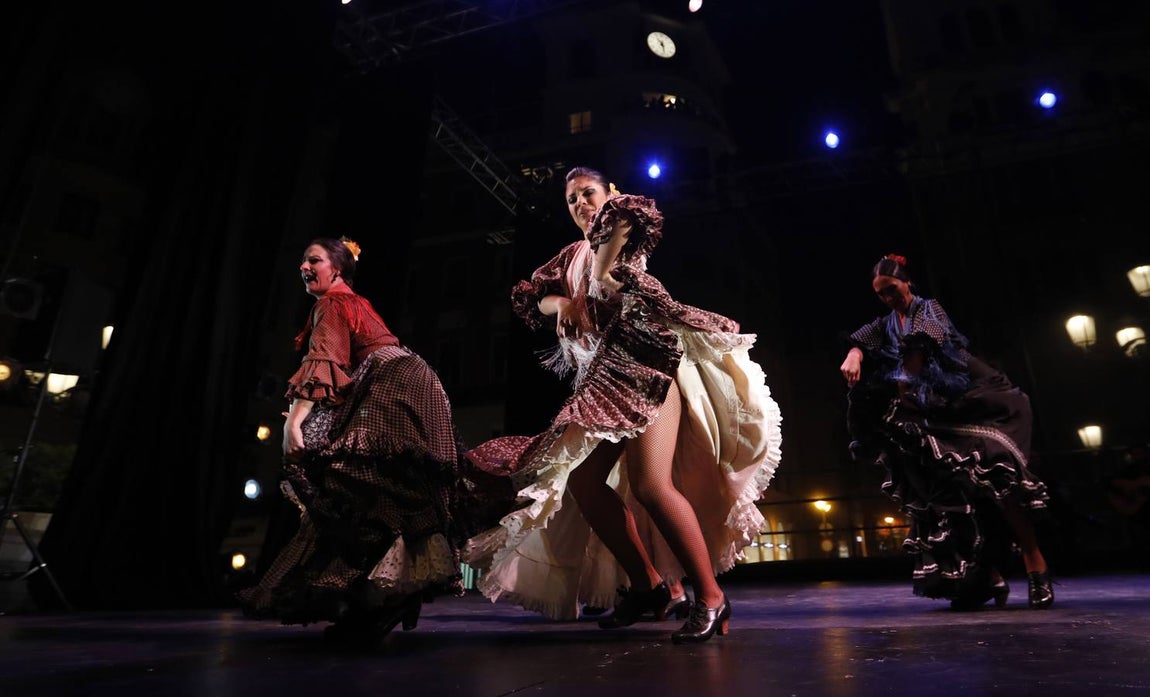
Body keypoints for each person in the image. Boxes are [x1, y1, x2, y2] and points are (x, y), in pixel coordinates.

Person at [463, 167, 783, 644]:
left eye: (587, 194)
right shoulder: (570, 254)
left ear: (608, 193)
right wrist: (564, 307)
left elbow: (604, 279)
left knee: (653, 485)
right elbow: (538, 296)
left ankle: (711, 596)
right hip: (604, 375)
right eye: (571, 201)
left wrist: (582, 298)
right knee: (585, 482)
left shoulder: (621, 219)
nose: (580, 204)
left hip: (646, 361)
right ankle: (650, 586)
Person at [237, 237, 511, 646]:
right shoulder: (355, 301)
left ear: (337, 269)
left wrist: (292, 425)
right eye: (302, 262)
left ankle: (374, 600)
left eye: (314, 260)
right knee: (393, 492)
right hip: (417, 380)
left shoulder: (331, 303)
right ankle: (383, 599)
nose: (305, 268)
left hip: (392, 382)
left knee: (349, 480)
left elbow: (323, 361)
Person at [838, 253, 1055, 610]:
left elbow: (917, 357)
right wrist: (855, 352)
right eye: (881, 294)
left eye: (892, 290)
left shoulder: (929, 311)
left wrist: (904, 386)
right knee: (948, 495)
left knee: (998, 481)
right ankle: (984, 574)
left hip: (971, 401)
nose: (889, 298)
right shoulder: (888, 322)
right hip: (929, 413)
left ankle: (1035, 564)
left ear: (908, 283)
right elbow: (864, 338)